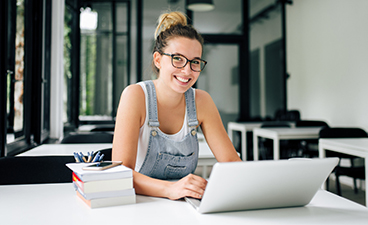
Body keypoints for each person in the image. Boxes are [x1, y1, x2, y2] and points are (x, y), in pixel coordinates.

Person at [112, 11, 241, 201]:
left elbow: (231, 163)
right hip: (139, 205)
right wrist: (170, 189)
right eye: (178, 59)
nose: (187, 70)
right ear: (158, 59)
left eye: (195, 62)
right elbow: (120, 173)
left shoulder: (202, 101)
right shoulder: (135, 96)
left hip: (185, 205)